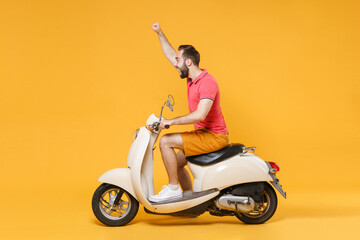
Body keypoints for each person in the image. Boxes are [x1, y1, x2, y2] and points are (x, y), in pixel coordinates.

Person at [148, 22, 229, 203]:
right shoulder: (192, 79)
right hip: (202, 134)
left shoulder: (207, 83)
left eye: (178, 60)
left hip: (214, 136)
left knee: (166, 142)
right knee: (174, 164)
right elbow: (170, 54)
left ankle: (173, 189)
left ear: (188, 62)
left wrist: (171, 122)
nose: (175, 63)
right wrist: (160, 32)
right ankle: (190, 201)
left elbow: (200, 115)